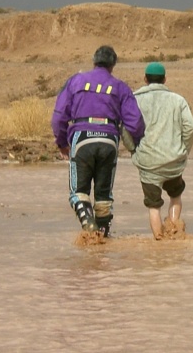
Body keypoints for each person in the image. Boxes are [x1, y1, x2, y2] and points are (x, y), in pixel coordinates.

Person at [51, 45, 145, 237]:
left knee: (78, 191)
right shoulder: (121, 87)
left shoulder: (75, 81)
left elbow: (59, 116)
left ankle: (88, 226)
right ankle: (103, 236)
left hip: (82, 137)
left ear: (94, 62)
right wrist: (135, 143)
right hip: (109, 140)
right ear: (113, 66)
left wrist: (61, 142)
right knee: (103, 195)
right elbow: (135, 123)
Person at [128, 62, 193, 240]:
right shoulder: (178, 100)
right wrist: (184, 150)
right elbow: (191, 127)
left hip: (148, 162)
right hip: (174, 161)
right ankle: (174, 230)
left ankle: (159, 242)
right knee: (175, 196)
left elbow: (125, 129)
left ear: (145, 79)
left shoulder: (134, 100)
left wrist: (133, 150)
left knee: (153, 206)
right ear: (165, 79)